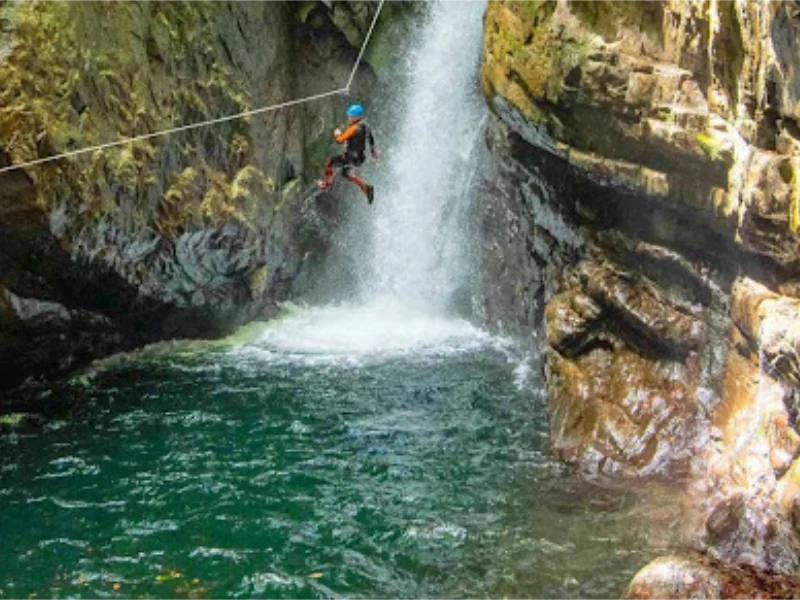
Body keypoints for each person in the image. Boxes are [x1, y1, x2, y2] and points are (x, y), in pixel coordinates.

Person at [317, 104, 378, 204]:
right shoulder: (365, 125)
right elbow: (370, 137)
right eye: (349, 116)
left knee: (329, 162)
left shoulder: (353, 129)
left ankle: (327, 184)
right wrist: (373, 150)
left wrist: (337, 134)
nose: (349, 118)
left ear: (358, 117)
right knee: (345, 174)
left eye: (352, 116)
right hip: (360, 158)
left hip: (350, 157)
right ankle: (366, 188)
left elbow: (340, 140)